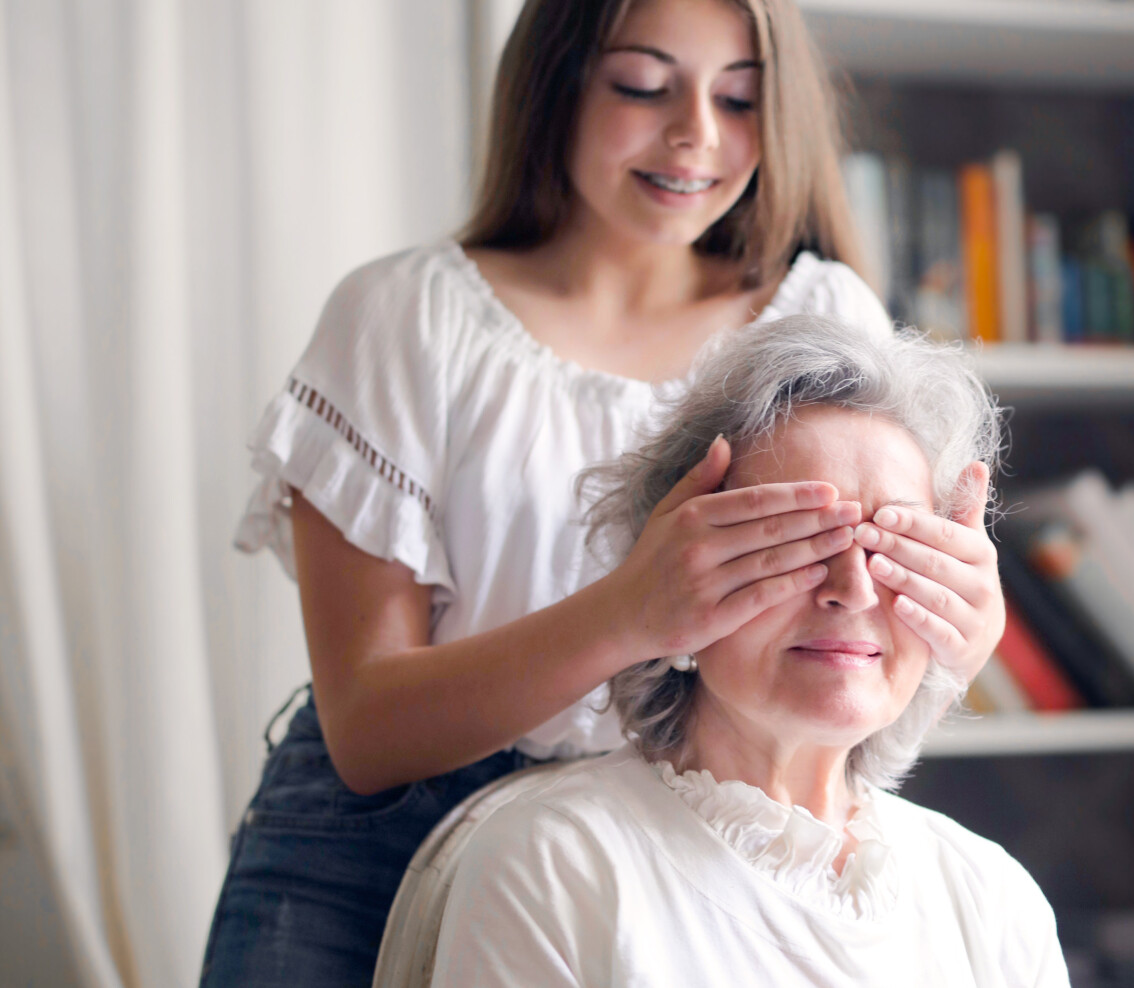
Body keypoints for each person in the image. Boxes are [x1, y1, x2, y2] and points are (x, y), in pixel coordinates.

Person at [200, 0, 1007, 984]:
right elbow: (367, 731)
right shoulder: (404, 318)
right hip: (373, 842)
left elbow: (849, 640)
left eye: (740, 98)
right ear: (557, 83)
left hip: (681, 826)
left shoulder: (823, 310)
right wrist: (630, 613)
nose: (695, 136)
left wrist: (958, 617)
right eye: (641, 84)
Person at [430, 315, 1066, 987]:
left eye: (893, 550)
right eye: (794, 542)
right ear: (675, 579)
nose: (851, 591)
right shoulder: (555, 868)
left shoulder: (994, 901)